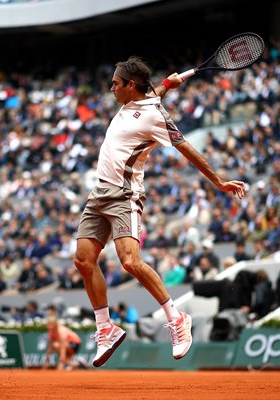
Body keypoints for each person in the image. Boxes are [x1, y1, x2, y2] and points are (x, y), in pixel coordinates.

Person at [73, 57, 246, 367]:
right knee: (83, 260)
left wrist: (218, 181)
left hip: (125, 195)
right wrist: (168, 84)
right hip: (98, 194)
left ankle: (177, 318)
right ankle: (105, 328)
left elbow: (188, 149)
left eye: (116, 82)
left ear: (130, 85)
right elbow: (151, 95)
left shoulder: (156, 115)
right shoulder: (135, 103)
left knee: (129, 261)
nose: (111, 87)